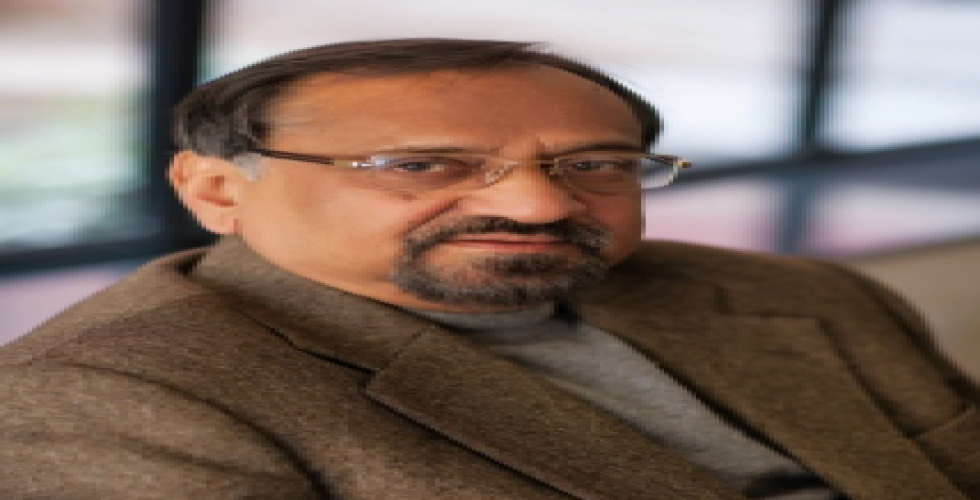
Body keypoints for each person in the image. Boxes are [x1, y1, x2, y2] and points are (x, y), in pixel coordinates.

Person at [0, 39, 976, 500]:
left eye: (593, 165)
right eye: (423, 164)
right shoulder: (97, 399)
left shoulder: (794, 295)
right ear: (215, 189)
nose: (541, 205)